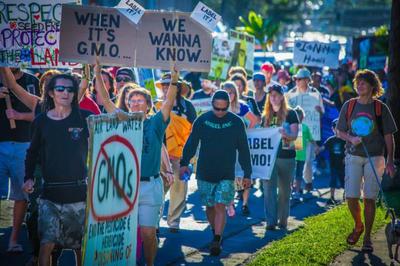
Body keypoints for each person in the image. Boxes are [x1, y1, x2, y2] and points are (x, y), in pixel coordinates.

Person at [95, 63, 178, 266]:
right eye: (132, 100)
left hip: (150, 185)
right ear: (128, 103)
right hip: (124, 186)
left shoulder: (156, 123)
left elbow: (168, 102)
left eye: (141, 100)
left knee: (149, 233)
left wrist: (174, 79)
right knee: (126, 234)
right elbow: (105, 99)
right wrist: (96, 73)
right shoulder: (121, 120)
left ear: (148, 105)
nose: (136, 103)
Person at [22, 73, 91, 266]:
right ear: (51, 92)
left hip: (78, 193)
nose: (65, 93)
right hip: (49, 194)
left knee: (80, 247)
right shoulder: (40, 121)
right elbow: (32, 153)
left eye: (70, 89)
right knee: (46, 244)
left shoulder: (86, 118)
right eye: (60, 89)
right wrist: (28, 178)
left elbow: (111, 130)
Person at [180, 90, 252, 256]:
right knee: (210, 206)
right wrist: (184, 163)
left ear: (229, 106)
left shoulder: (236, 122)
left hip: (226, 173)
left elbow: (243, 149)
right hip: (205, 172)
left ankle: (217, 239)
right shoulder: (202, 120)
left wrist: (247, 173)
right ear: (211, 105)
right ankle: (215, 233)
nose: (220, 112)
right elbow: (191, 143)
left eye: (223, 109)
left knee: (220, 205)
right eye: (217, 109)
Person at [336, 69, 397, 252]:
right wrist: (351, 139)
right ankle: (358, 225)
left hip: (375, 157)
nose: (359, 85)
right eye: (358, 82)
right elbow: (339, 131)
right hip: (353, 155)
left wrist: (390, 161)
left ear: (372, 86)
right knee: (351, 197)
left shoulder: (380, 108)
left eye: (363, 83)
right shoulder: (350, 105)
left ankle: (368, 238)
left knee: (369, 199)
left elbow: (388, 136)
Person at [0, 67, 39, 253]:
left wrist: (19, 116)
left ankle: (13, 240)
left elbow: (40, 113)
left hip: (24, 144)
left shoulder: (32, 80)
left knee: (21, 194)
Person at [154, 73, 197, 232]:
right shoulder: (156, 106)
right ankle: (154, 222)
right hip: (159, 156)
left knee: (179, 191)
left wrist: (190, 157)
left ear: (177, 88)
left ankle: (174, 222)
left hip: (180, 156)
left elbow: (194, 131)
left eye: (169, 85)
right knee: (158, 191)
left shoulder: (188, 107)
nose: (166, 88)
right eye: (164, 85)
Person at [262, 84, 299, 230]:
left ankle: (283, 220)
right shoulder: (265, 116)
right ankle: (270, 221)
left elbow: (296, 137)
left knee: (284, 192)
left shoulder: (291, 114)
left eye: (276, 94)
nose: (273, 97)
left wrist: (287, 136)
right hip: (269, 159)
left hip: (287, 157)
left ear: (282, 96)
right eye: (270, 95)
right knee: (268, 190)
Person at [285, 68, 324, 192]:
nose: (297, 81)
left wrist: (319, 110)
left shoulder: (315, 93)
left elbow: (322, 112)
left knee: (308, 159)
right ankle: (298, 185)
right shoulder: (290, 94)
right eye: (296, 78)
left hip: (310, 131)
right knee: (297, 158)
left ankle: (308, 181)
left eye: (300, 79)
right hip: (297, 131)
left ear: (307, 80)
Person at [221, 81, 257, 215]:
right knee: (228, 175)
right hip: (225, 148)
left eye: (230, 92)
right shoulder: (219, 107)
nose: (228, 95)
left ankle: (245, 204)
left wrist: (245, 133)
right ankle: (230, 204)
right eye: (226, 92)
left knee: (245, 173)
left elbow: (254, 120)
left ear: (235, 93)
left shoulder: (241, 107)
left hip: (240, 147)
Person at [292, 106, 318, 200]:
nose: (299, 118)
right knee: (294, 175)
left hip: (300, 156)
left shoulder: (304, 127)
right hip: (293, 155)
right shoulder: (293, 126)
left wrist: (316, 147)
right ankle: (294, 190)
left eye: (300, 116)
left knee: (297, 174)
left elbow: (311, 139)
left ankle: (296, 191)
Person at [319, 119, 346, 204]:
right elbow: (323, 147)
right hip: (333, 165)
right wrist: (318, 150)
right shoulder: (331, 140)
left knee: (344, 182)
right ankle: (331, 197)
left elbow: (349, 150)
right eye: (336, 128)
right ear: (333, 129)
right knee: (332, 181)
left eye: (340, 128)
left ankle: (345, 197)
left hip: (343, 166)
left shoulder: (345, 140)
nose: (338, 130)